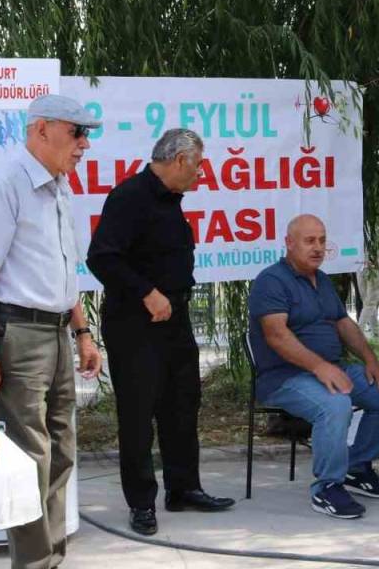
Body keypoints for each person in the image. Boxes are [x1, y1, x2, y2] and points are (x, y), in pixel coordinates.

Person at [0, 94, 104, 567]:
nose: (85, 143)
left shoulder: (61, 187)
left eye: (89, 134)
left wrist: (83, 332)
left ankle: (52, 557)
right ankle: (34, 563)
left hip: (59, 332)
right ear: (41, 129)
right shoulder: (3, 186)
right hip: (19, 333)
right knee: (30, 458)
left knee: (62, 453)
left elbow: (64, 273)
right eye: (77, 132)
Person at [86, 128, 234, 537]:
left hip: (176, 319)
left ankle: (184, 488)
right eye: (199, 164)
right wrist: (146, 293)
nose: (202, 173)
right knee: (137, 415)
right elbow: (102, 258)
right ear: (180, 159)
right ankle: (141, 502)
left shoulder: (171, 202)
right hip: (136, 324)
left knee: (182, 404)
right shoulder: (129, 197)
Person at [248, 214, 379, 520]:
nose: (317, 247)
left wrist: (371, 361)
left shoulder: (321, 281)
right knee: (334, 404)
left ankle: (356, 468)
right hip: (285, 378)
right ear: (289, 244)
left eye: (321, 240)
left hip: (332, 369)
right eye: (309, 241)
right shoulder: (271, 281)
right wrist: (320, 367)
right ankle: (327, 487)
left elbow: (344, 324)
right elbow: (277, 335)